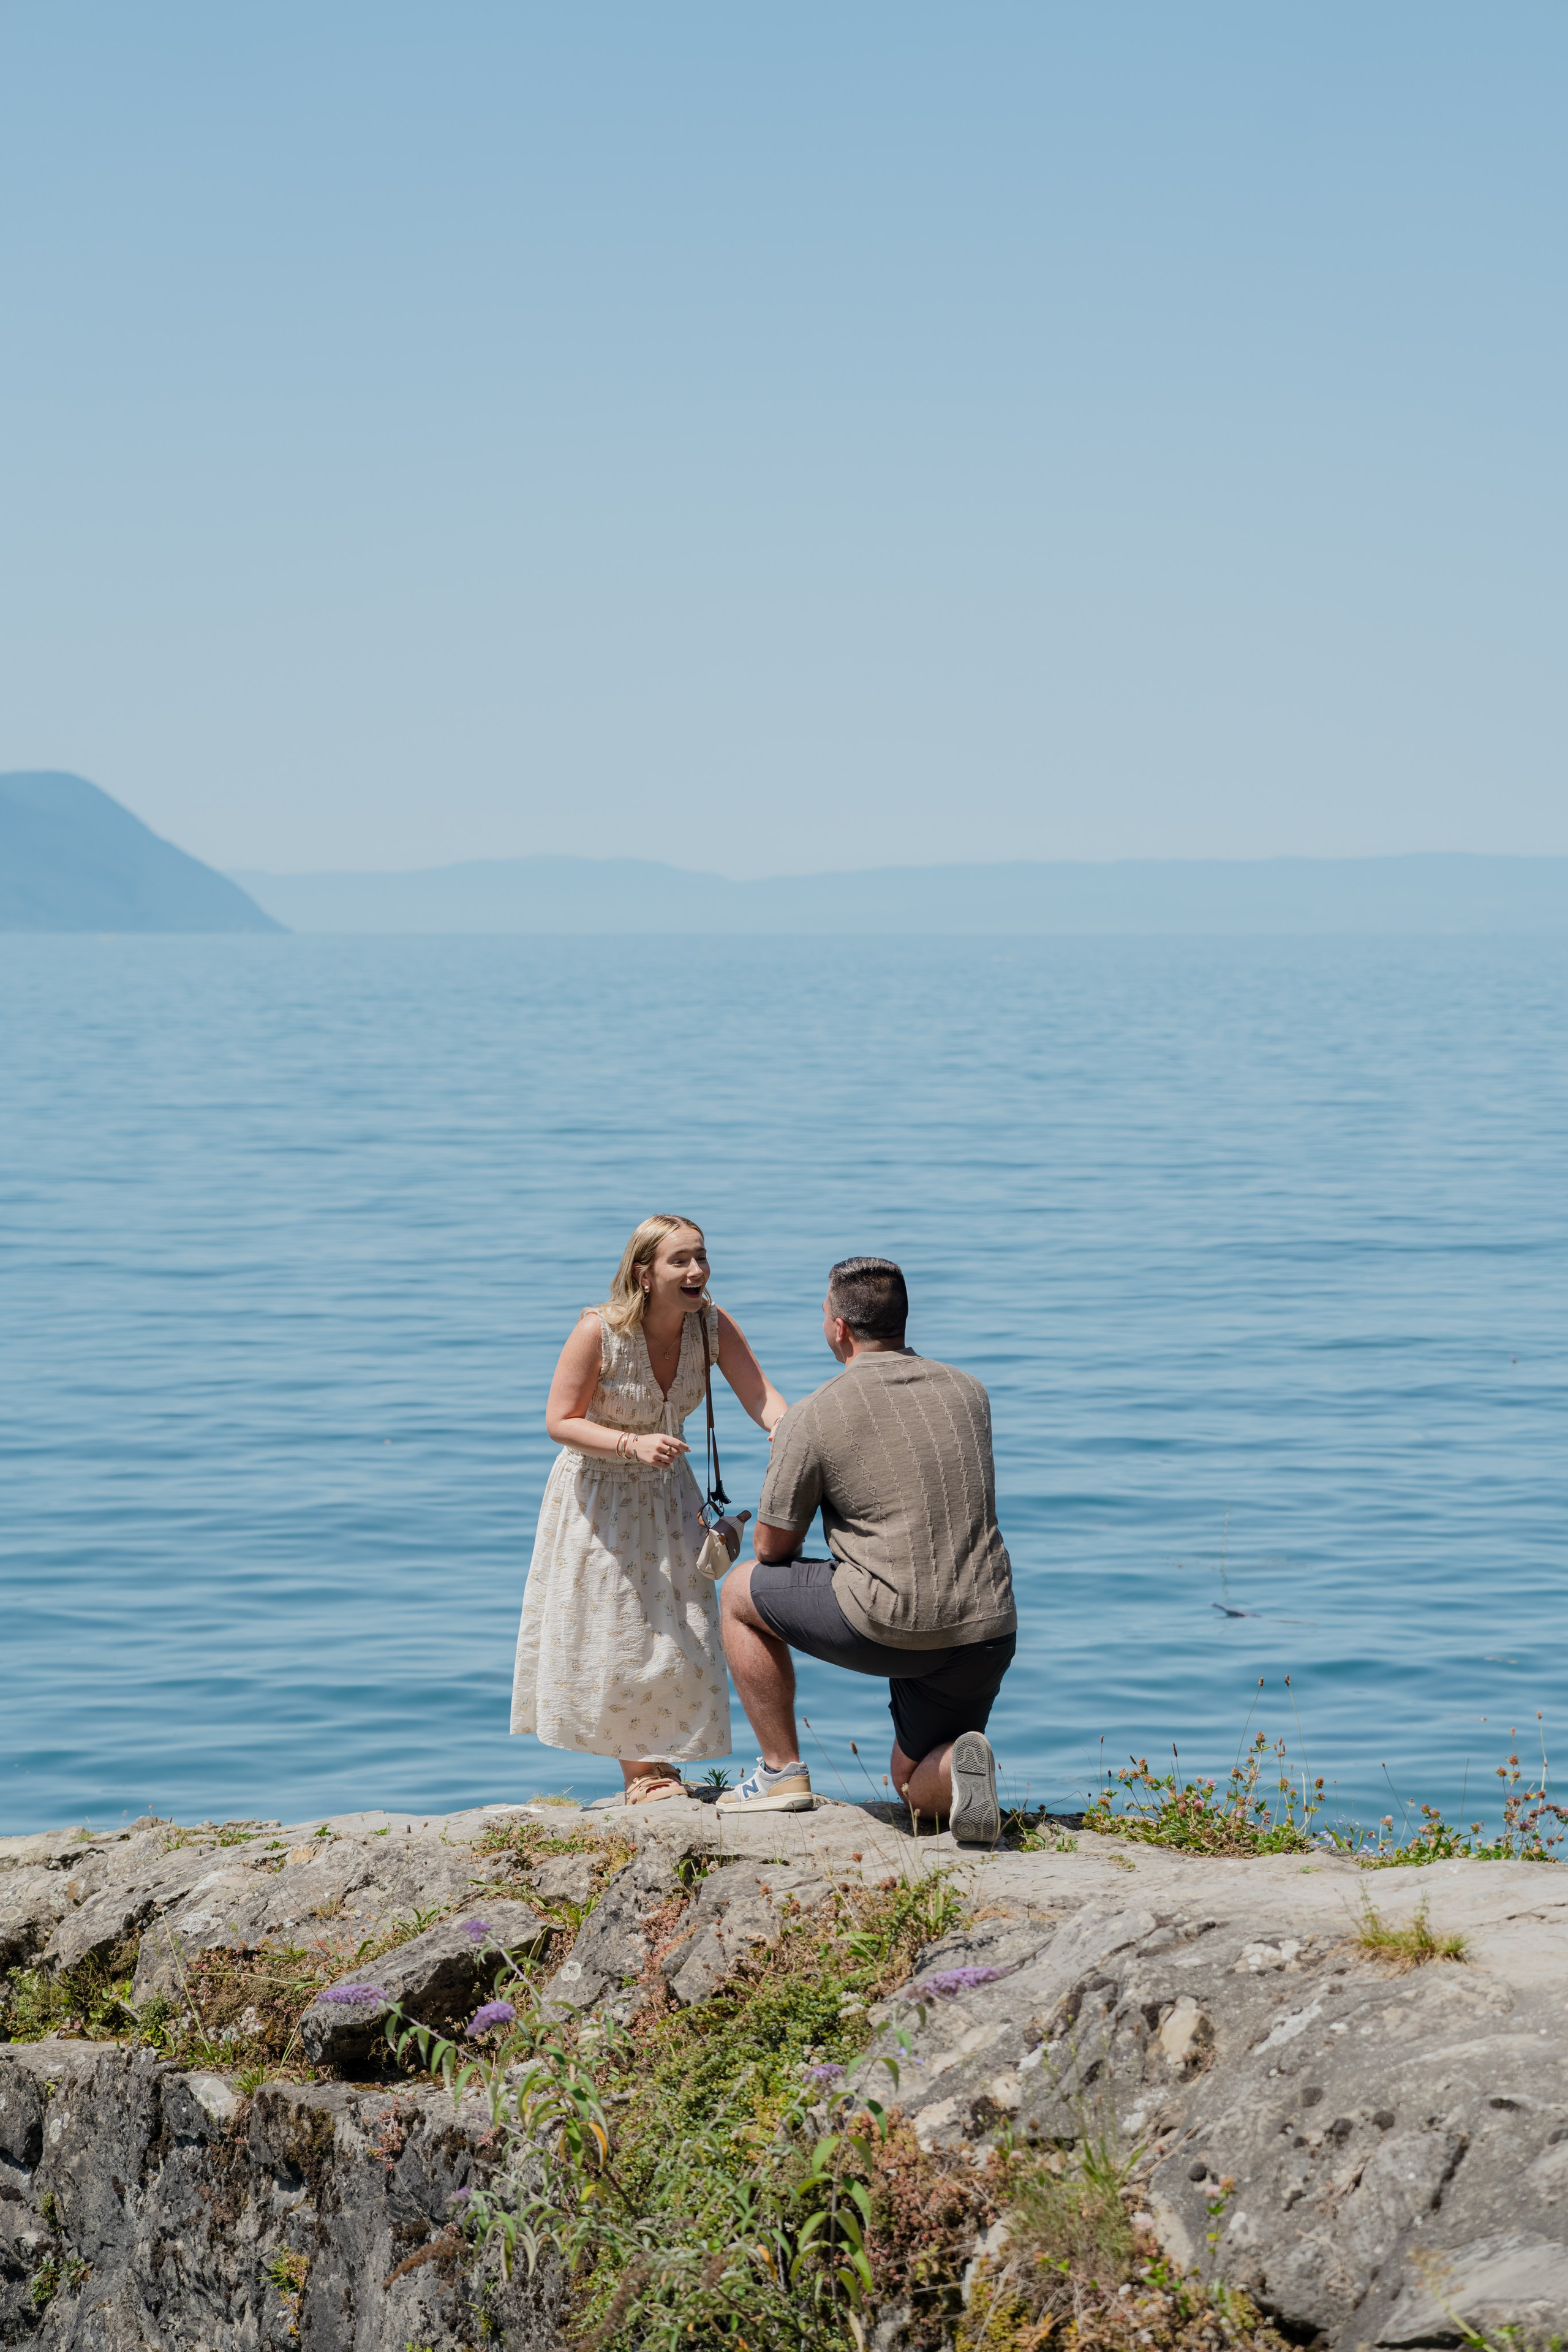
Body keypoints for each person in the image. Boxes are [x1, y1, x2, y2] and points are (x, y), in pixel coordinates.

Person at [717, 1256, 1015, 1843]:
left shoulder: (814, 1413)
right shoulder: (969, 1392)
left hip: (888, 1622)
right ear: (903, 1318)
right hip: (985, 1627)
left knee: (736, 1591)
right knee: (911, 1789)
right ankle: (956, 1769)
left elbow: (773, 1549)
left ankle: (781, 1773)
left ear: (838, 1328)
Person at [511, 1215, 786, 1805]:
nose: (697, 1271)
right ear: (644, 1273)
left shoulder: (711, 1326)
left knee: (680, 1629)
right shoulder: (599, 1331)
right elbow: (559, 1421)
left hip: (671, 1494)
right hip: (599, 1495)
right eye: (680, 1260)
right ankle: (644, 1776)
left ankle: (663, 1763)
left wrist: (791, 1431)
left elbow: (761, 1397)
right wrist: (630, 1443)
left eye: (702, 1257)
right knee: (619, 1630)